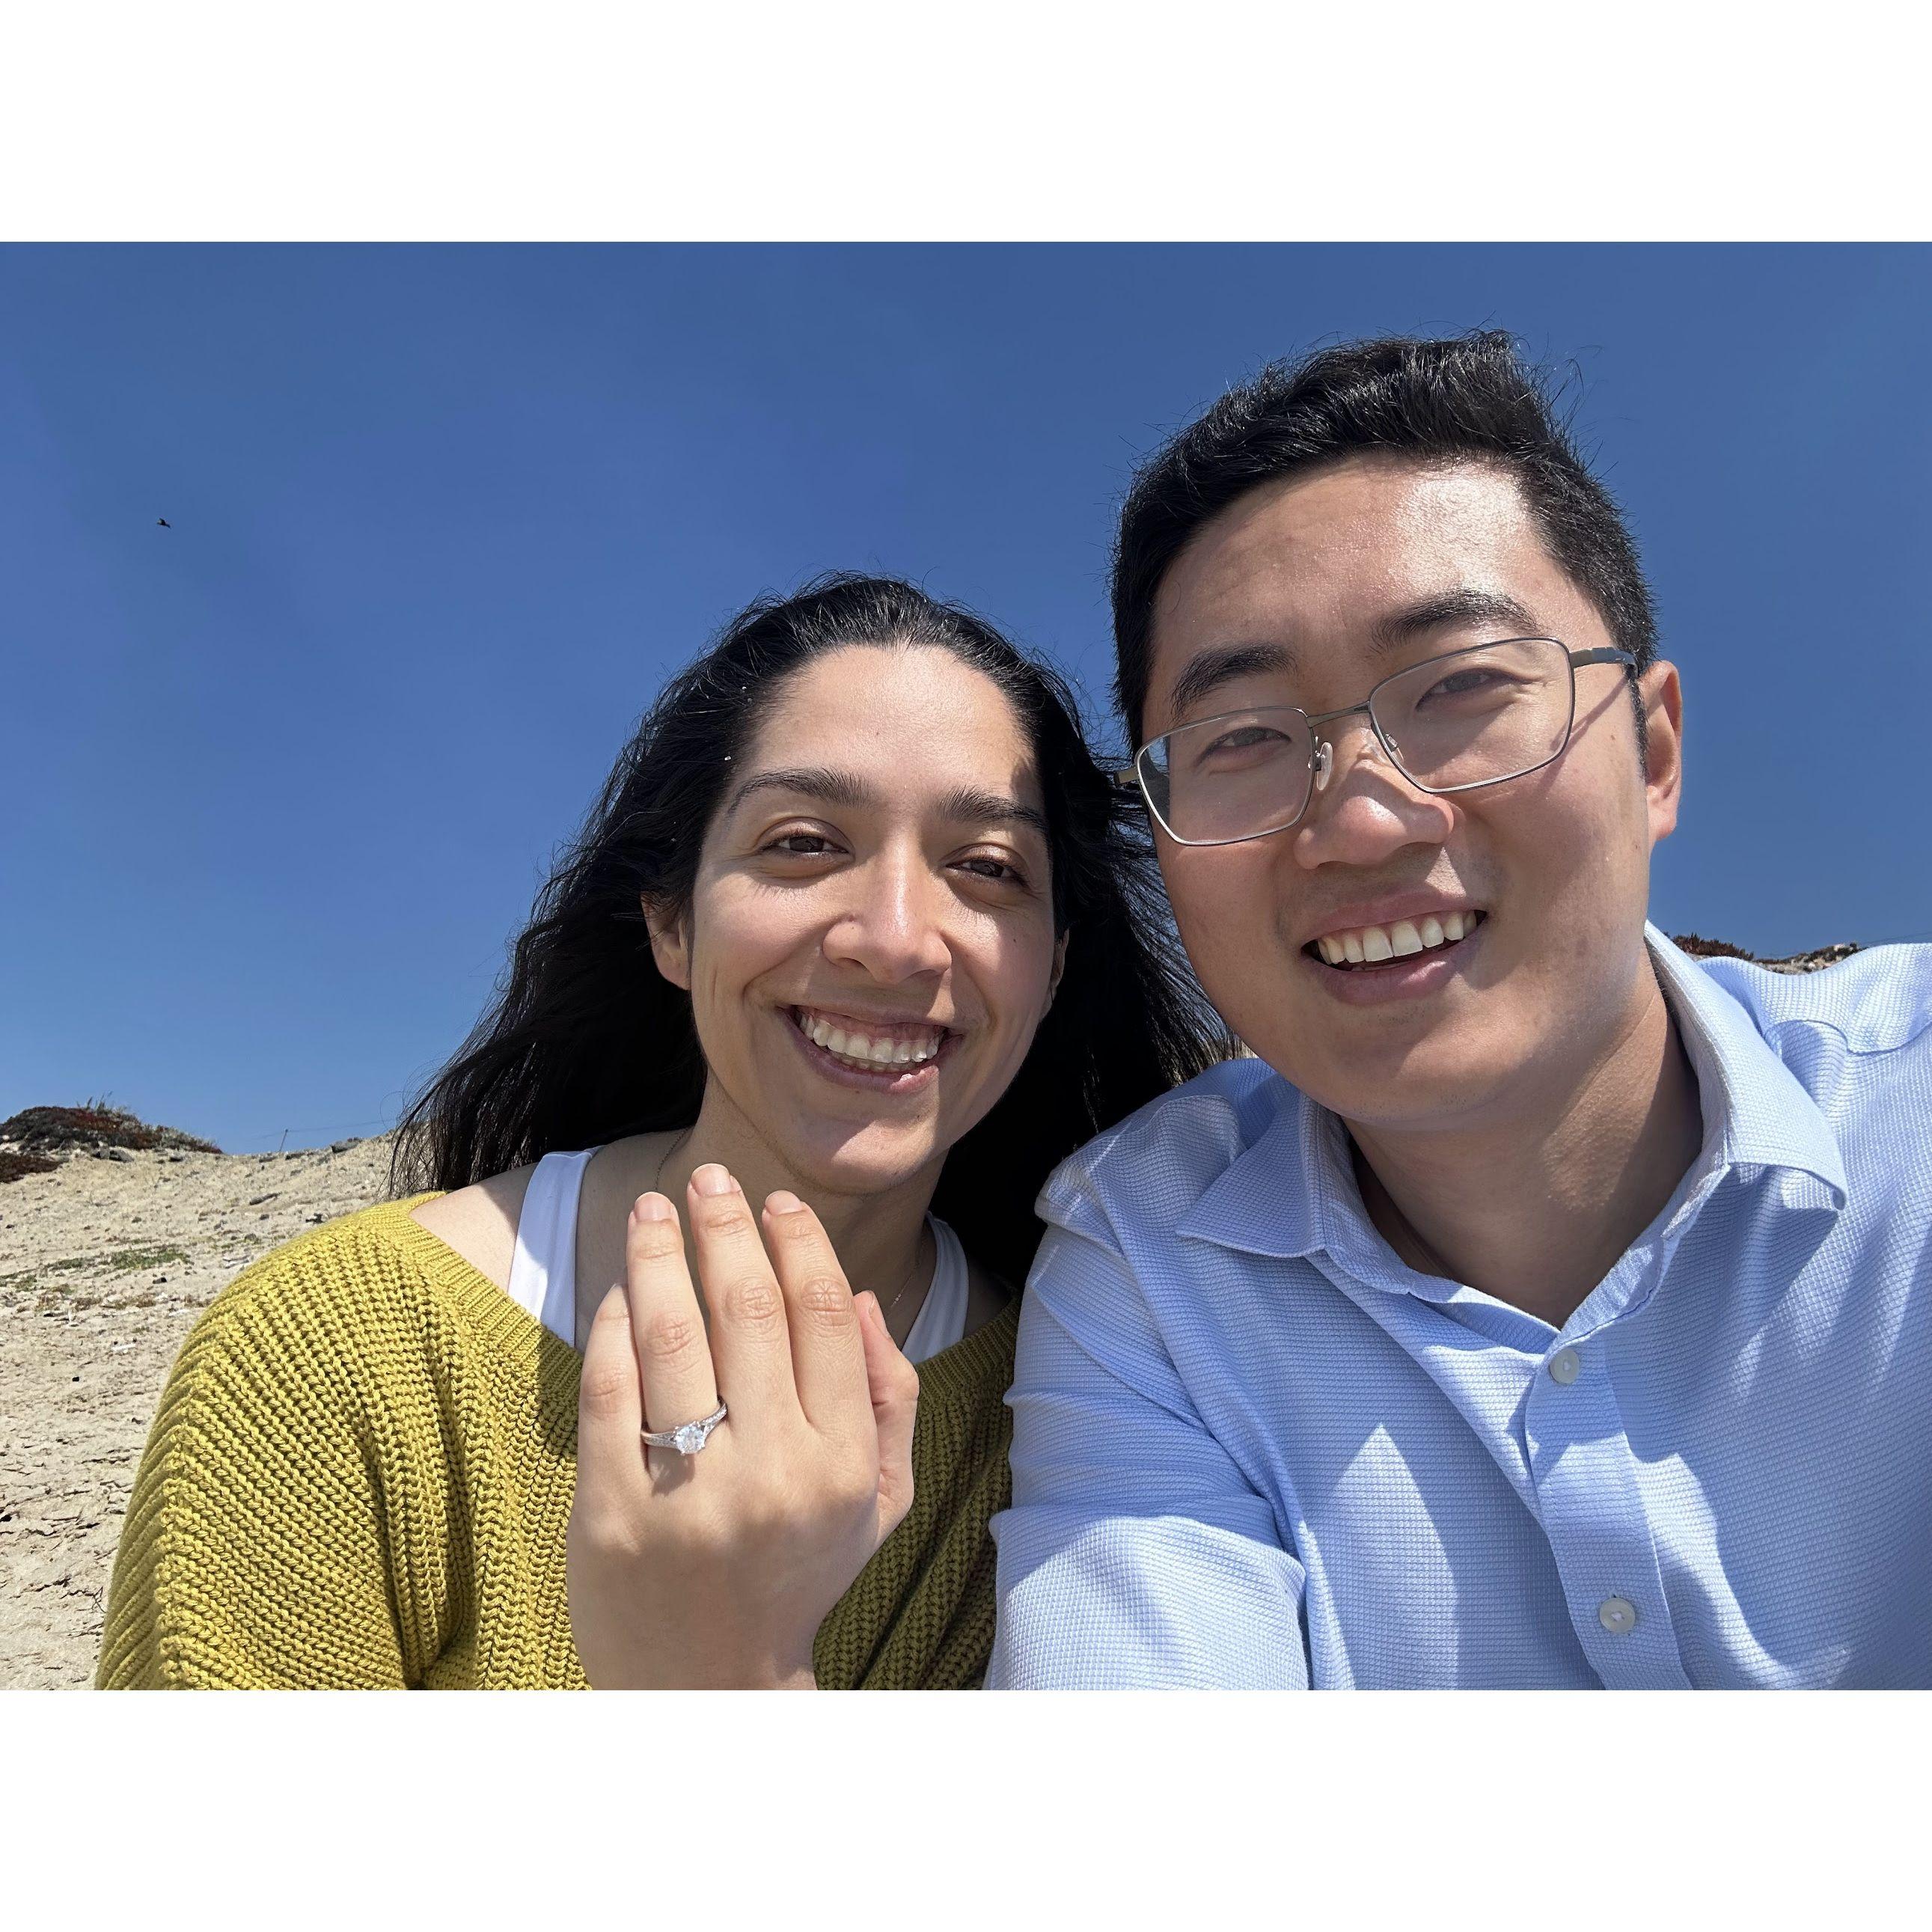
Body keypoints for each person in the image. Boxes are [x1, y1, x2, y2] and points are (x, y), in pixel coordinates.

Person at [988, 332, 1932, 1689]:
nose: (1360, 821)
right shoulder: (1146, 1266)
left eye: (1461, 686)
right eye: (1241, 738)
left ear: (1652, 753)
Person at [97, 574, 1226, 1689]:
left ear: (1053, 966)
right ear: (671, 921)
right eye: (802, 842)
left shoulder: (1085, 1398)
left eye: (986, 867)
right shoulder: (340, 1353)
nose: (895, 939)